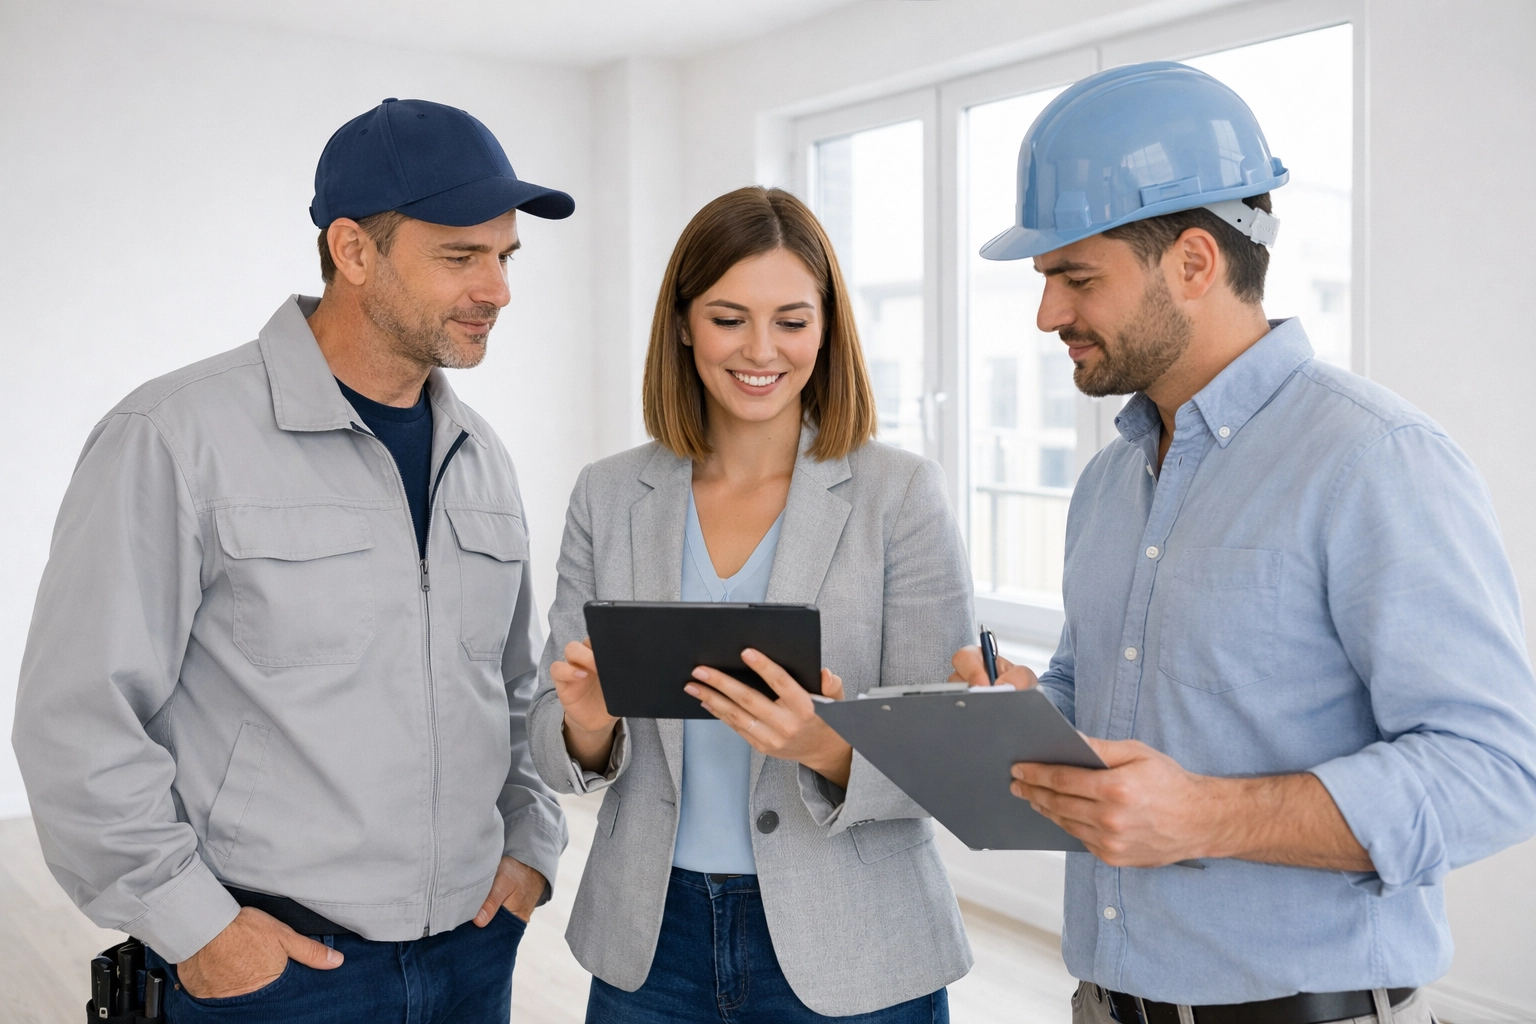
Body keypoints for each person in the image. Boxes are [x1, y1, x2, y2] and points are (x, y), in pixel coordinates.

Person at [949, 61, 1536, 1024]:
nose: (1048, 313)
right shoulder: (1108, 482)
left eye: (1073, 276)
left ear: (1193, 262)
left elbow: (1496, 771)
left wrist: (1209, 817)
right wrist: (1023, 712)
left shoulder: (1375, 460)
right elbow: (1100, 690)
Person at [12, 97, 575, 1023]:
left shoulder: (480, 455)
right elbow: (77, 718)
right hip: (276, 972)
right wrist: (196, 928)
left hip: (473, 956)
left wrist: (532, 846)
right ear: (353, 252)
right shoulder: (175, 436)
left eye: (505, 257)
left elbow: (508, 691)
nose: (498, 290)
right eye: (460, 257)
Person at [528, 186, 973, 1022]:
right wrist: (586, 722)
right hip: (651, 943)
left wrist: (826, 747)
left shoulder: (900, 495)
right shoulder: (608, 494)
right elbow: (554, 746)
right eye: (729, 318)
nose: (760, 349)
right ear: (684, 324)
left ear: (828, 329)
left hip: (855, 941)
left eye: (792, 320)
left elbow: (946, 753)